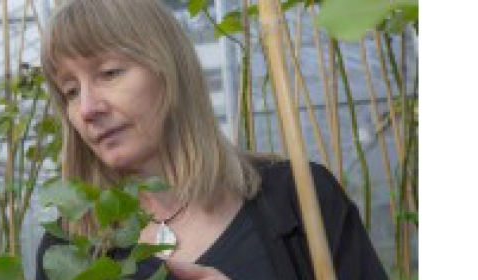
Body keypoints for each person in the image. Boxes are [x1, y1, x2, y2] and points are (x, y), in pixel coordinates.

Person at [35, 0, 387, 279]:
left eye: (109, 73)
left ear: (170, 70)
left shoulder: (298, 197)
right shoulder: (73, 250)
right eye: (70, 91)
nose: (86, 108)